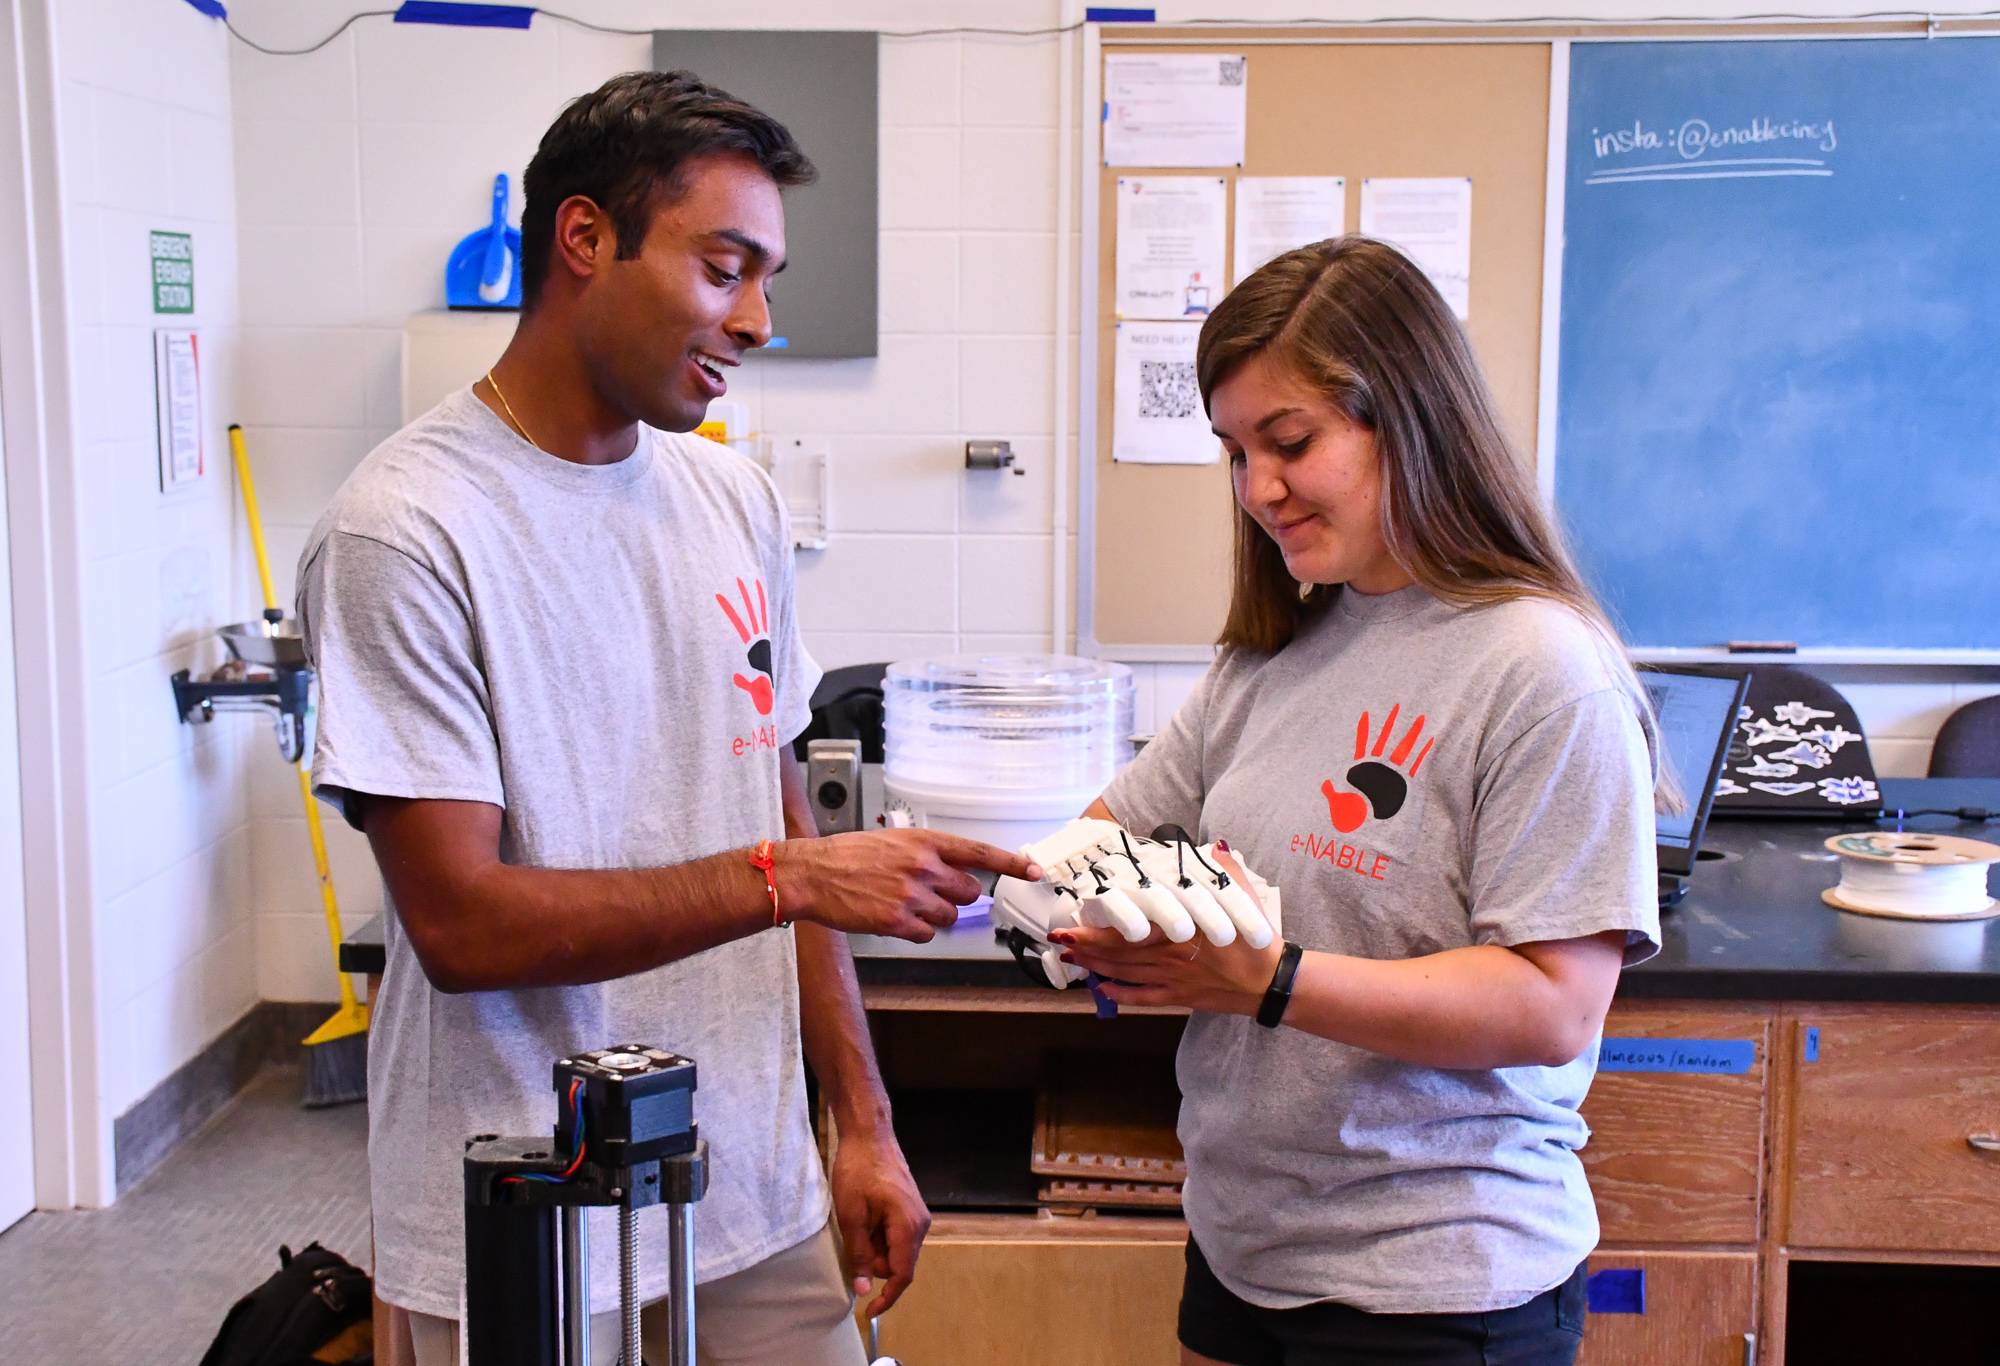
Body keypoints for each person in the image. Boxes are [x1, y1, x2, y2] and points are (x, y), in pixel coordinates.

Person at [296, 71, 1038, 1366]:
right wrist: (788, 874)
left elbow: (775, 802)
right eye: (725, 267)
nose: (759, 319)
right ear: (585, 240)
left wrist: (858, 1115)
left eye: (770, 279)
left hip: (751, 1192)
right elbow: (465, 923)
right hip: (527, 1203)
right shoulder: (408, 527)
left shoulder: (728, 498)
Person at [1056, 236, 1662, 1366]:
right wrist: (1085, 914)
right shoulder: (1280, 648)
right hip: (1247, 1250)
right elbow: (1108, 833)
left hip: (1433, 1285)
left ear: (1411, 419)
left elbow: (1550, 1007)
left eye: (1288, 442)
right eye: (1234, 452)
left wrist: (1267, 976)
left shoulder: (1539, 668)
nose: (1257, 488)